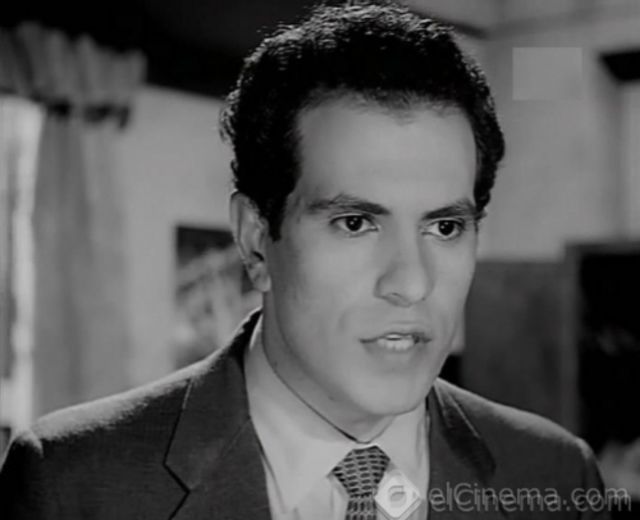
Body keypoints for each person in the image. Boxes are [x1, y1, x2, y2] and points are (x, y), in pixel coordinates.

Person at [0, 2, 615, 519]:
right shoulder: (75, 484)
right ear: (255, 240)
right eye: (356, 223)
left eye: (445, 226)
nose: (411, 283)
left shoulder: (558, 475)